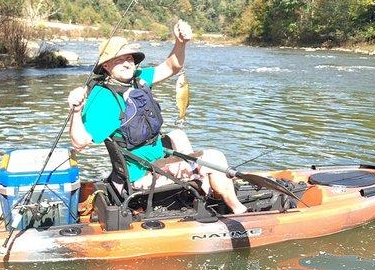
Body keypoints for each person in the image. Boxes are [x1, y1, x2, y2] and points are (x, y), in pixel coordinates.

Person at [68, 20, 247, 215]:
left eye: (129, 57)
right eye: (119, 59)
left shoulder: (136, 80)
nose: (127, 63)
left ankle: (199, 187)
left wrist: (180, 43)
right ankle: (238, 210)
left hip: (154, 161)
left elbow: (172, 67)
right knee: (215, 157)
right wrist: (76, 111)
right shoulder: (103, 100)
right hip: (141, 177)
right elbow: (79, 143)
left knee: (178, 134)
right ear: (106, 66)